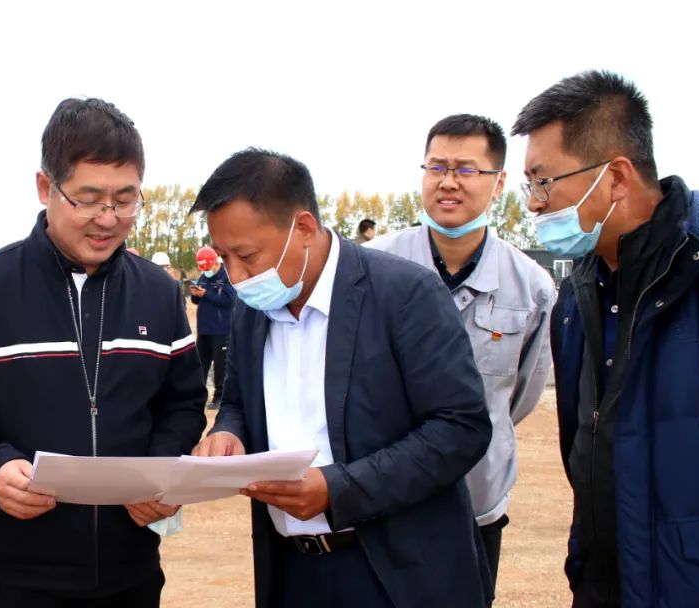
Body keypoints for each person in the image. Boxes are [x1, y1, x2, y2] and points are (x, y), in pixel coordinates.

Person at [0, 98, 206, 607]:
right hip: (23, 576)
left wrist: (161, 467)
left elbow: (183, 402)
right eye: (89, 199)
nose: (108, 219)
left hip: (134, 570)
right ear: (45, 187)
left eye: (126, 200)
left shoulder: (159, 292)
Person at [189, 148, 493, 608]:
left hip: (397, 574)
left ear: (303, 228)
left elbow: (460, 428)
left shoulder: (404, 294)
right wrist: (229, 432)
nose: (235, 276)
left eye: (246, 255)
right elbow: (237, 402)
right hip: (294, 571)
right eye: (224, 257)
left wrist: (339, 489)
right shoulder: (252, 310)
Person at [514, 70, 699, 607]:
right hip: (605, 583)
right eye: (529, 185)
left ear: (615, 177)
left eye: (544, 181)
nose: (534, 204)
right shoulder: (579, 293)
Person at [366, 114, 555, 589]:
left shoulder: (530, 286)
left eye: (466, 170)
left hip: (476, 499)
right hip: (381, 500)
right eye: (437, 167)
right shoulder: (371, 268)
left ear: (499, 182)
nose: (448, 182)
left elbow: (518, 396)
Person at [190, 245, 235, 410]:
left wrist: (206, 295)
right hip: (204, 329)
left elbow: (229, 301)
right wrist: (195, 296)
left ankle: (219, 397)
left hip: (221, 330)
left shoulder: (227, 277)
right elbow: (197, 301)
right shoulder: (203, 277)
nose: (206, 271)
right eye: (204, 269)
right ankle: (198, 397)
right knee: (200, 364)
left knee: (221, 366)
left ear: (216, 263)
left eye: (208, 268)